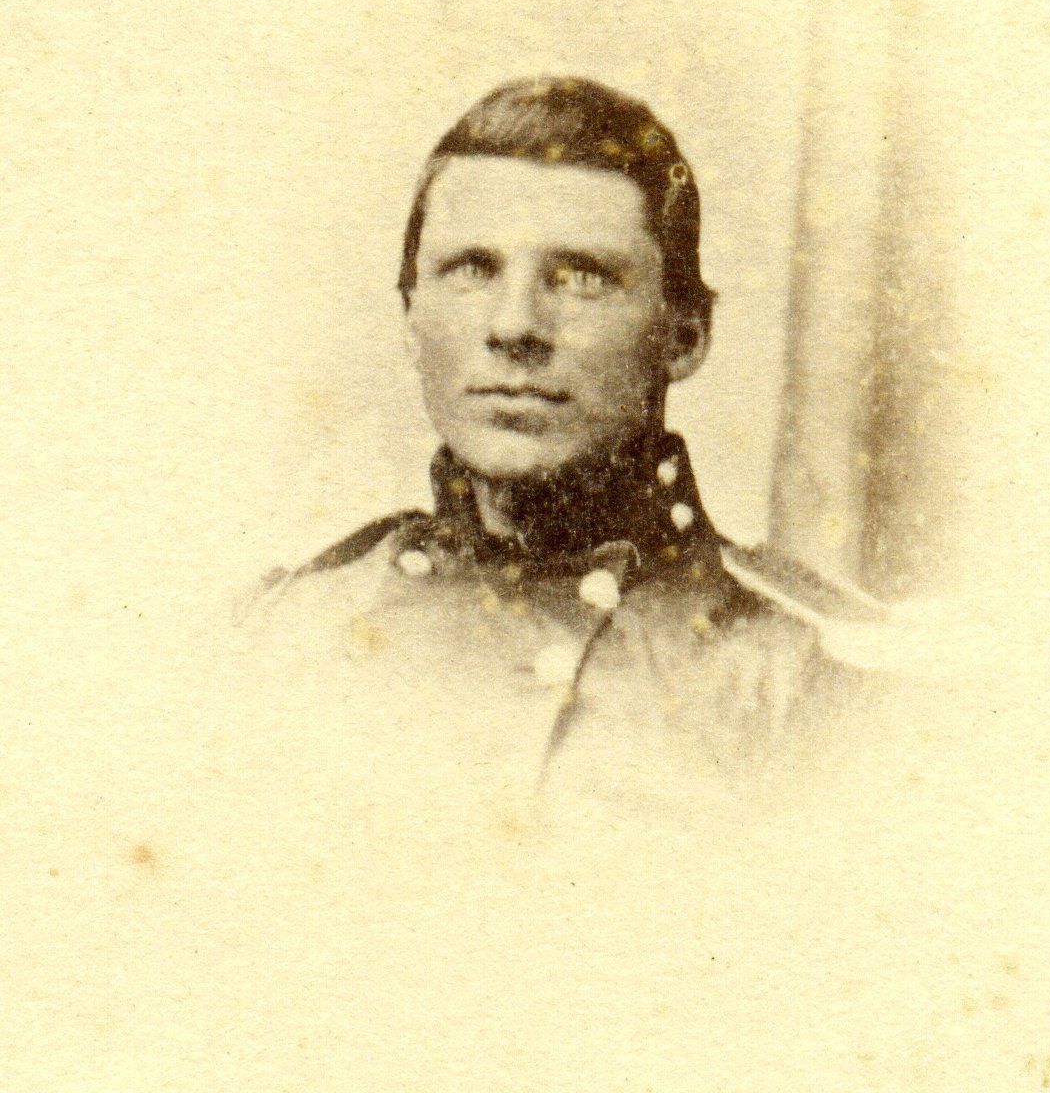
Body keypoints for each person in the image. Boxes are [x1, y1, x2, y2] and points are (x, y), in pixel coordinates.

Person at [243, 77, 885, 827]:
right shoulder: (278, 630)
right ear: (410, 318)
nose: (514, 326)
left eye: (582, 278)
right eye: (472, 269)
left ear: (683, 337)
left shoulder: (816, 676)